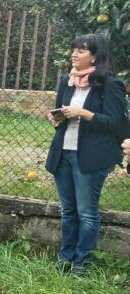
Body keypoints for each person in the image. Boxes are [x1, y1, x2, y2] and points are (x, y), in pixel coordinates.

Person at [45, 34, 128, 275]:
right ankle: (65, 258)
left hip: (91, 156)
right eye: (74, 49)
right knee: (68, 210)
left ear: (95, 55)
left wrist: (84, 113)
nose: (74, 54)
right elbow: (62, 112)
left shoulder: (110, 84)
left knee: (86, 212)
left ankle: (82, 262)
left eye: (81, 50)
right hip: (64, 152)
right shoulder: (67, 81)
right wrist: (56, 117)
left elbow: (114, 122)